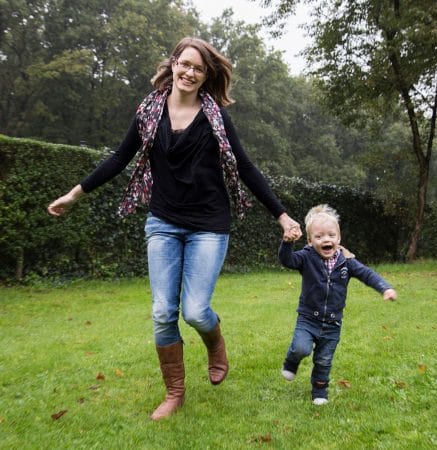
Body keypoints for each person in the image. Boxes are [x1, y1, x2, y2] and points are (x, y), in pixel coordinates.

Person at [48, 36, 302, 420]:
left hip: (208, 225)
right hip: (163, 221)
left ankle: (215, 343)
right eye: (184, 64)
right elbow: (120, 157)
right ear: (172, 65)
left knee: (196, 311)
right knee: (164, 311)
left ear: (205, 76)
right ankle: (175, 392)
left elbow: (246, 167)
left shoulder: (216, 117)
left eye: (198, 68)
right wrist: (75, 193)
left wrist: (281, 214)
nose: (189, 72)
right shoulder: (149, 111)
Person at [278, 204, 397, 405]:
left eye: (331, 235)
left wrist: (384, 288)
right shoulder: (306, 257)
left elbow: (367, 274)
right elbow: (287, 260)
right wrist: (287, 244)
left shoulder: (347, 262)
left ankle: (320, 392)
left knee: (324, 360)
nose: (326, 239)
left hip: (333, 323)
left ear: (338, 239)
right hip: (308, 318)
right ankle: (291, 361)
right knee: (301, 348)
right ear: (309, 240)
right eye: (319, 236)